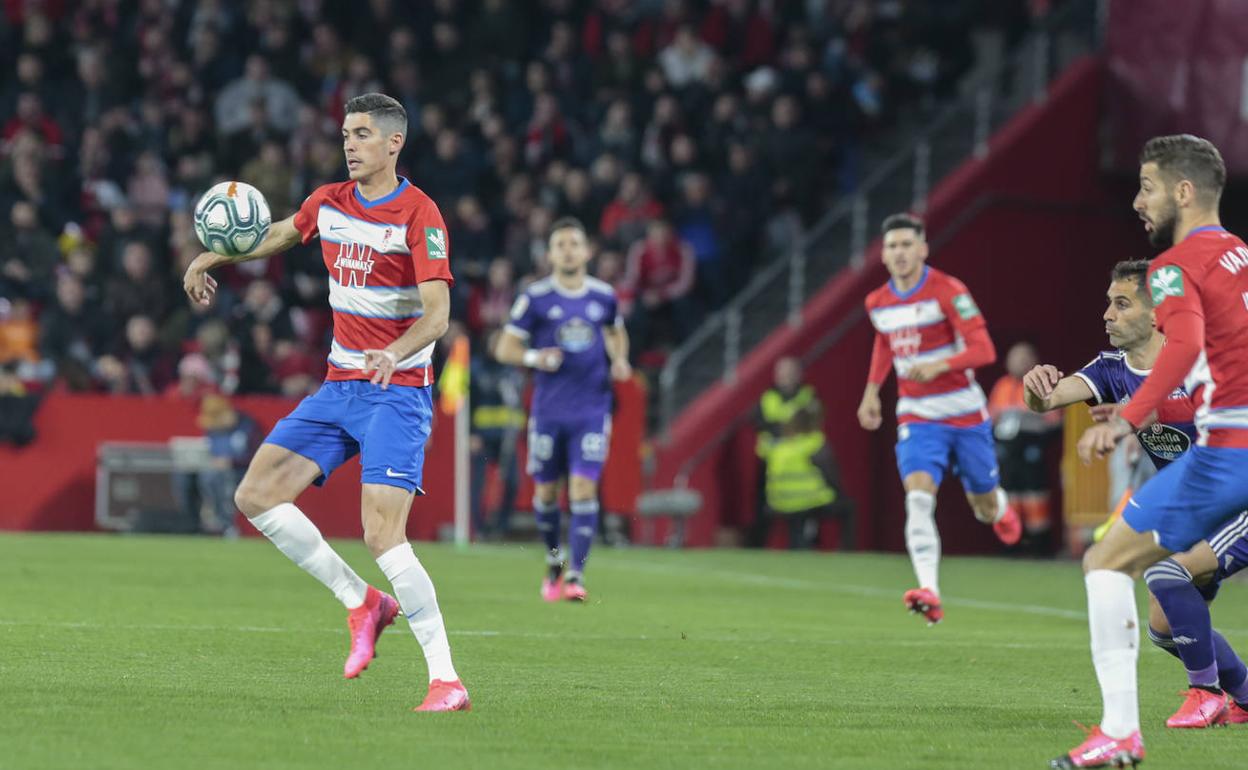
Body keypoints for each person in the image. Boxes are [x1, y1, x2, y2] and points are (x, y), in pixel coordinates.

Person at [181, 93, 469, 712]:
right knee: (255, 495)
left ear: (394, 142)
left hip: (397, 393)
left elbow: (438, 315)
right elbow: (277, 235)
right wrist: (212, 256)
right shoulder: (328, 201)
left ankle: (446, 679)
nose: (350, 144)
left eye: (362, 134)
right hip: (339, 387)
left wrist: (395, 351)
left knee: (382, 535)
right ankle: (361, 601)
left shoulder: (420, 214)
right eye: (345, 134)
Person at [1049, 135, 1248, 768]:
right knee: (1140, 579)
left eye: (1148, 186)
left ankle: (1127, 731)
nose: (1138, 200)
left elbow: (1182, 347)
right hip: (1221, 448)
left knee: (1112, 564)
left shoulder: (1173, 267)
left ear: (1183, 192)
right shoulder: (1240, 255)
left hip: (1232, 450)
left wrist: (1128, 419)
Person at [1023, 259, 1248, 733]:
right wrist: (1035, 389)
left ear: (1157, 313)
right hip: (1194, 508)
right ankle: (1245, 695)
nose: (1107, 314)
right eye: (1109, 303)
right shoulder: (1110, 369)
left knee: (1165, 573)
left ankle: (1207, 695)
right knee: (1166, 630)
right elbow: (1051, 399)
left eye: (1122, 304)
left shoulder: (1203, 359)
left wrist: (1142, 413)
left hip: (1237, 498)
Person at [856, 212, 1021, 626]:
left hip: (964, 413)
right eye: (892, 246)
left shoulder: (948, 290)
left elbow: (984, 349)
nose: (899, 253)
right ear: (883, 254)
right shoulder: (877, 302)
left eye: (906, 244)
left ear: (923, 249)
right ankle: (929, 590)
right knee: (917, 497)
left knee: (983, 506)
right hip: (917, 416)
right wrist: (872, 391)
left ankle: (999, 506)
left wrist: (939, 365)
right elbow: (885, 342)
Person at [493, 216, 632, 602]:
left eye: (574, 244)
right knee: (547, 493)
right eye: (560, 245)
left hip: (592, 408)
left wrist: (620, 359)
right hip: (549, 410)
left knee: (583, 486)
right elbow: (504, 348)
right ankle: (554, 558)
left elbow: (616, 332)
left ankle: (576, 575)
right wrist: (535, 357)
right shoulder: (535, 297)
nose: (568, 251)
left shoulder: (604, 296)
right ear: (550, 254)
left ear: (587, 251)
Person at [987, 341, 1061, 553]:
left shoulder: (1042, 386)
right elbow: (991, 419)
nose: (1019, 362)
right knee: (1009, 498)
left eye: (1024, 358)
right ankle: (1011, 546)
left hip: (1032, 454)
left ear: (1033, 361)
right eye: (1015, 358)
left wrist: (1038, 445)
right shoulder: (1001, 386)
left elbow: (1055, 423)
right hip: (1007, 454)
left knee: (1035, 500)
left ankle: (1039, 548)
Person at [755, 404, 854, 550]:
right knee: (847, 507)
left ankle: (799, 543)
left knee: (798, 529)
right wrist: (840, 494)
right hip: (808, 502)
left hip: (778, 502)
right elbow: (830, 475)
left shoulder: (775, 445)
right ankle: (846, 550)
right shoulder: (814, 442)